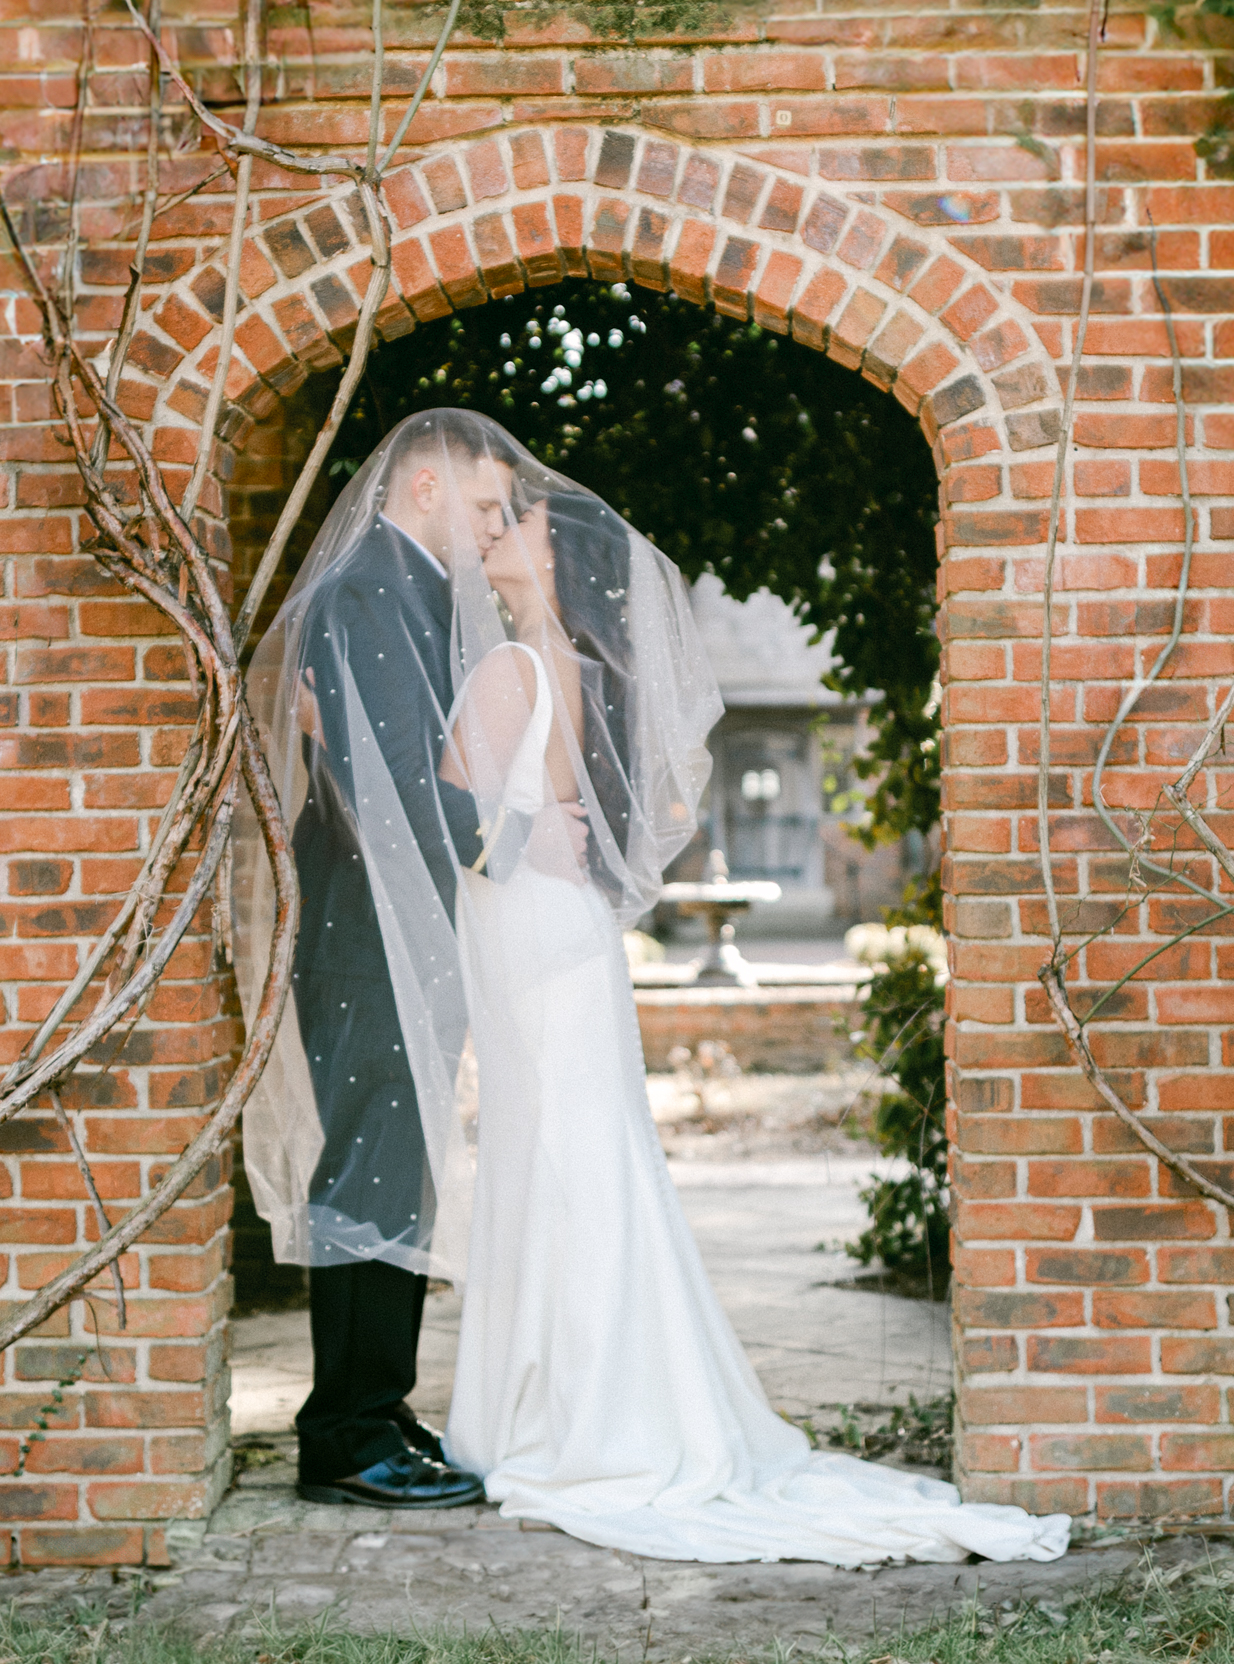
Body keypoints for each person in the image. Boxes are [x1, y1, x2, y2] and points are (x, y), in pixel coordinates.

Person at [431, 423, 1072, 1569]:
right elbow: (547, 816)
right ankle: (595, 1400)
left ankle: (565, 1416)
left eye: (513, 518)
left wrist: (499, 830)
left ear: (553, 552)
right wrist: (538, 839)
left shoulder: (511, 666)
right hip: (560, 934)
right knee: (580, 1156)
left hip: (532, 926)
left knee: (555, 1159)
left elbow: (454, 818)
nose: (495, 531)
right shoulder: (563, 663)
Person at [235, 409, 585, 1507]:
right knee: (371, 1169)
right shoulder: (368, 592)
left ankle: (379, 1404)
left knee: (401, 1164)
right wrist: (524, 837)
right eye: (484, 505)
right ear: (425, 486)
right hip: (364, 928)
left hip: (400, 926)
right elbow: (388, 784)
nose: (494, 529)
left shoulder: (403, 591)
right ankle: (343, 1433)